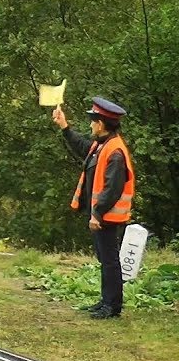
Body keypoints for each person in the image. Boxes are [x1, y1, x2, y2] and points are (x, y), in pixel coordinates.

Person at [52, 97, 136, 319]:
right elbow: (82, 148)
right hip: (102, 215)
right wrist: (64, 126)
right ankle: (105, 301)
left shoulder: (114, 151)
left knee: (109, 260)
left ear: (100, 123)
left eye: (92, 120)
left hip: (107, 216)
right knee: (105, 259)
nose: (90, 125)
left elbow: (112, 189)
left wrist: (97, 214)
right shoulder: (103, 145)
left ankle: (112, 307)